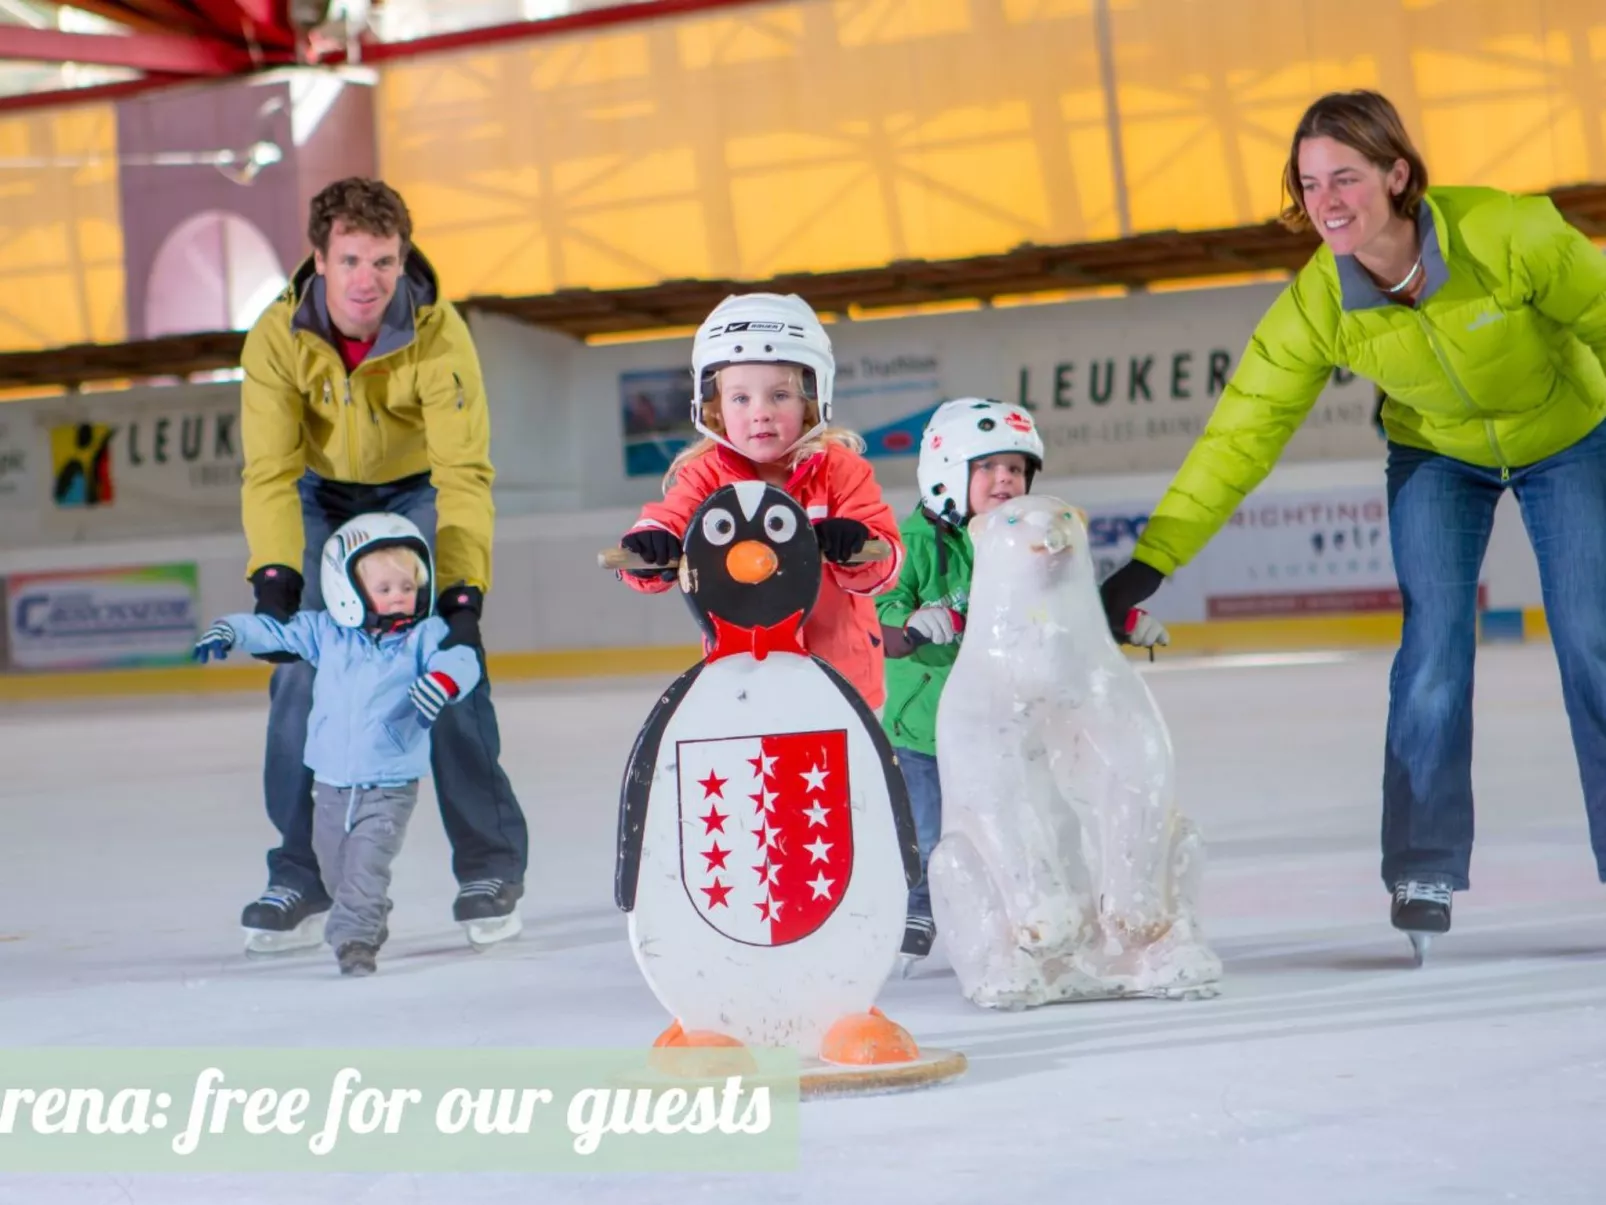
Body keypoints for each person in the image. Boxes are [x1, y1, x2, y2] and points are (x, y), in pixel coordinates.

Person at [1096, 89, 1606, 949]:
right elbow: (1242, 431)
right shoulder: (1318, 305)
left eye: (1345, 177)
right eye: (1308, 184)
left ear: (1398, 174)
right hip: (1439, 455)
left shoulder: (1505, 234)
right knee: (1434, 645)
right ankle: (1424, 864)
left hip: (1570, 436)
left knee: (1594, 634)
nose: (1326, 201)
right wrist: (1151, 562)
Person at [237, 176, 529, 954]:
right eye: (352, 259)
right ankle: (302, 869)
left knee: (445, 657)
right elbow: (269, 470)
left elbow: (463, 471)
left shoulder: (438, 332)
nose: (369, 280)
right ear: (320, 259)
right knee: (300, 673)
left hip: (415, 493)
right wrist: (276, 582)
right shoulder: (274, 336)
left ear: (403, 260)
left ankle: (490, 864)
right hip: (317, 492)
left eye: (385, 261)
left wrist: (462, 595)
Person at [877, 398, 1170, 965]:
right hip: (926, 729)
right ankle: (920, 903)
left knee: (1025, 821)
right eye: (986, 467)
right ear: (945, 472)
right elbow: (879, 611)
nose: (1004, 478)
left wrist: (1123, 621)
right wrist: (909, 624)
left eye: (1015, 468)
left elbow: (1067, 608)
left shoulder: (1025, 540)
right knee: (933, 829)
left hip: (1007, 725)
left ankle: (1026, 918)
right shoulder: (912, 544)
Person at [194, 516, 479, 976]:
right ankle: (364, 912)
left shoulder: (424, 637)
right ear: (347, 588)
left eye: (407, 585)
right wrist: (232, 629)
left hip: (389, 786)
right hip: (329, 785)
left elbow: (461, 658)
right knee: (335, 876)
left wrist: (445, 680)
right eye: (384, 587)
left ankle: (355, 942)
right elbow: (277, 633)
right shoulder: (325, 632)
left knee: (366, 868)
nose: (399, 595)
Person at [616, 292, 904, 710]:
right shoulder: (705, 476)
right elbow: (667, 520)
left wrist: (857, 545)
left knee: (845, 776)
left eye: (780, 396)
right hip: (742, 679)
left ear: (810, 398)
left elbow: (887, 562)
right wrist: (651, 544)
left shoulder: (839, 470)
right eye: (741, 398)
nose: (761, 412)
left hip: (842, 681)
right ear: (713, 409)